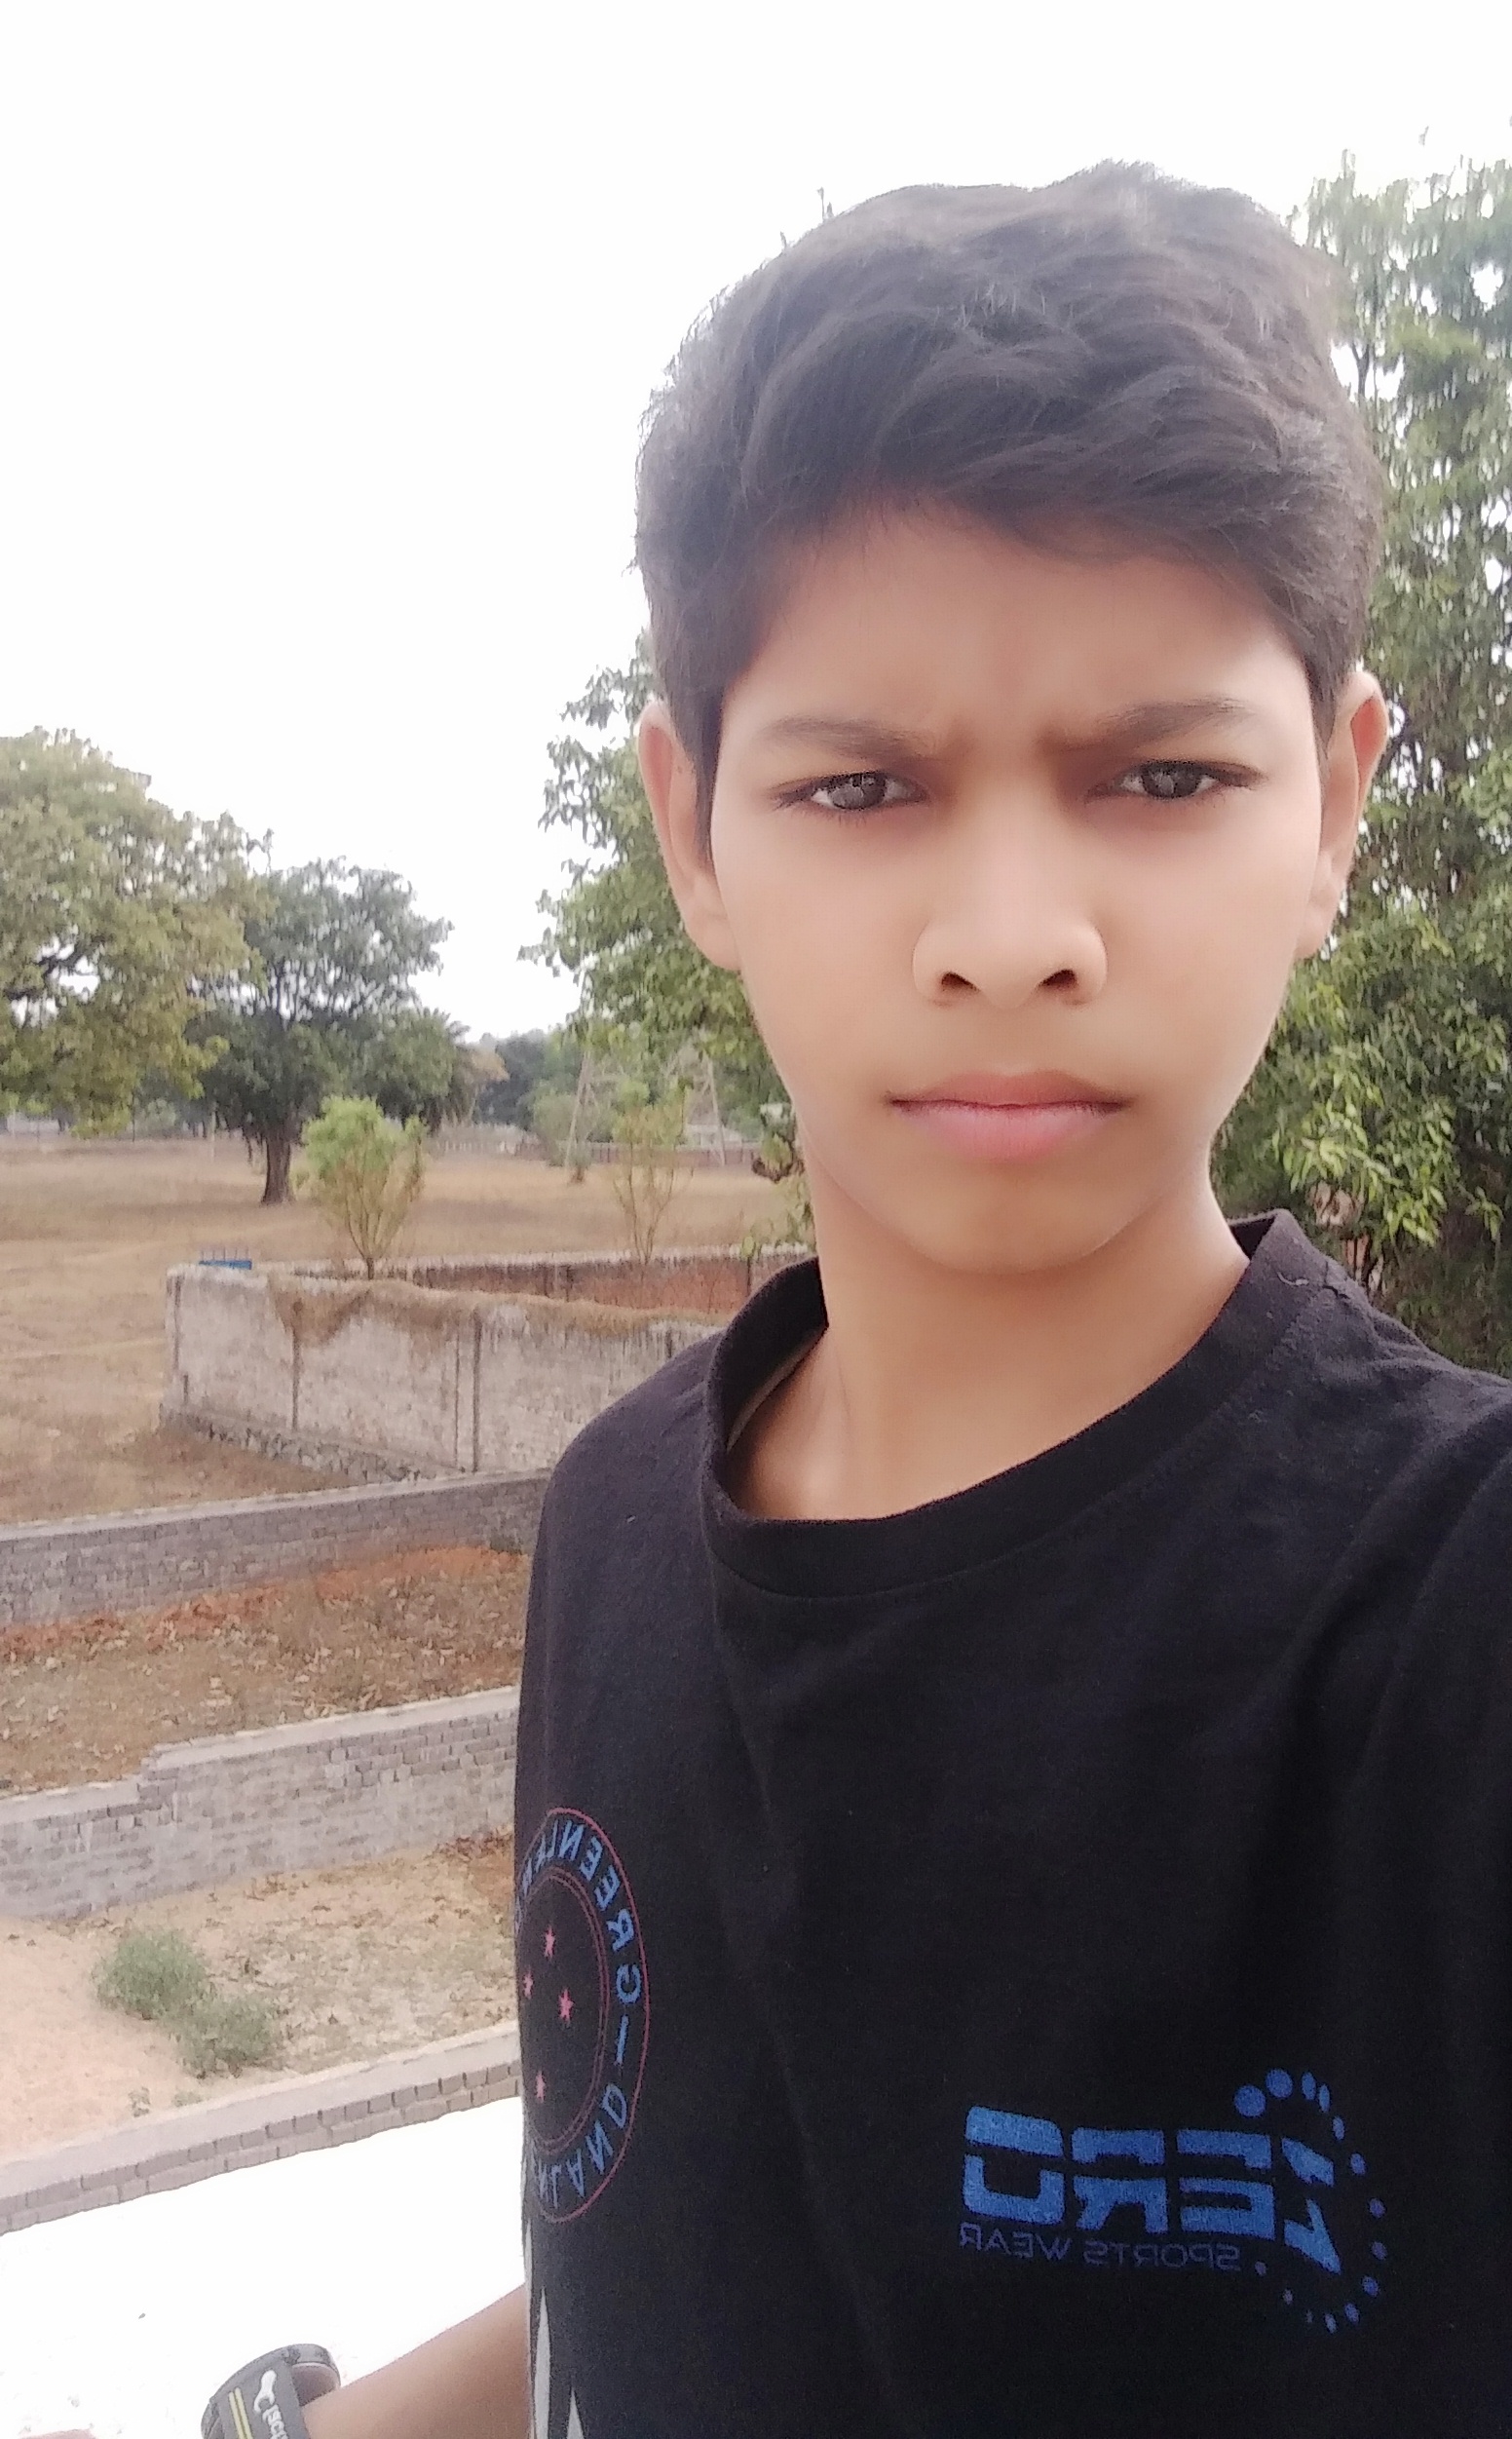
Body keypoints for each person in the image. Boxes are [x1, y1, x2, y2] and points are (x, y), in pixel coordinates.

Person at [50, 167, 1512, 2435]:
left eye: (1159, 775)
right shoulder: (617, 1523)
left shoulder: (1442, 1625)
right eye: (860, 785)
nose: (1008, 937)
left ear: (1328, 806)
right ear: (693, 835)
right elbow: (666, 2238)